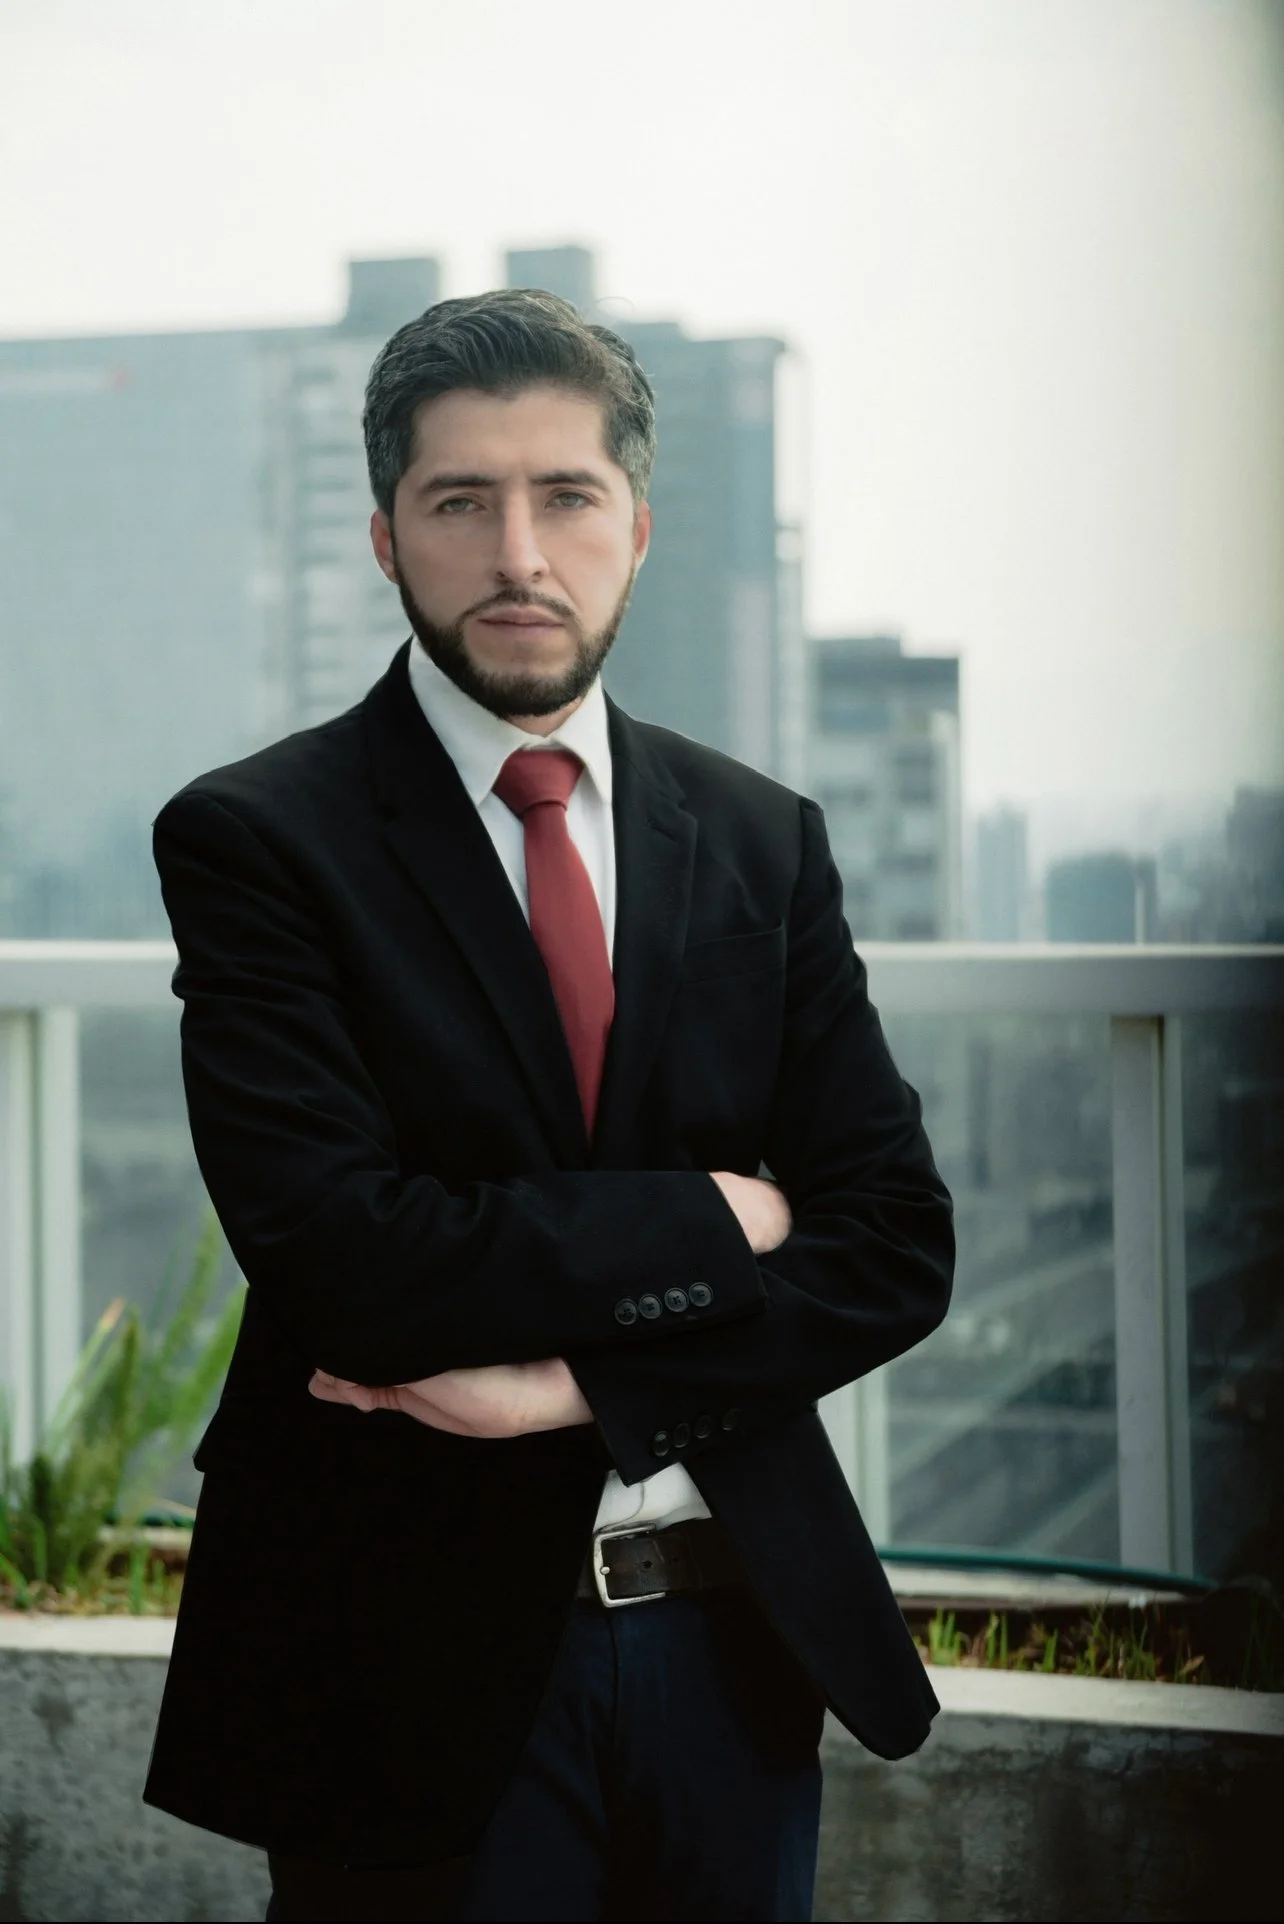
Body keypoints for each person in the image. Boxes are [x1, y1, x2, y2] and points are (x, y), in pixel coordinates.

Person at [143, 288, 954, 1923]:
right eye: (461, 502)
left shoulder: (761, 837)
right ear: (384, 537)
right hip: (405, 1661)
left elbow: (891, 1243)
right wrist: (720, 1217)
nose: (520, 551)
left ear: (639, 528)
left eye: (566, 497)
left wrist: (580, 1386)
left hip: (733, 1642)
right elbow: (349, 1259)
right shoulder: (260, 841)